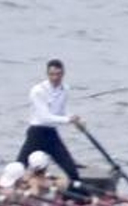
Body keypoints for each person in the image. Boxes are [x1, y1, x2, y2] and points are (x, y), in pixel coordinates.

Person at [18, 58, 84, 186]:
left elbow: (61, 112)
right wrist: (69, 120)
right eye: (52, 74)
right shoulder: (38, 91)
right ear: (47, 74)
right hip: (36, 133)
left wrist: (76, 120)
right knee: (19, 167)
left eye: (58, 74)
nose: (55, 78)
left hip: (51, 134)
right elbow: (44, 117)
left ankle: (76, 197)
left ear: (63, 74)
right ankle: (9, 194)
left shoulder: (65, 89)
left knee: (71, 170)